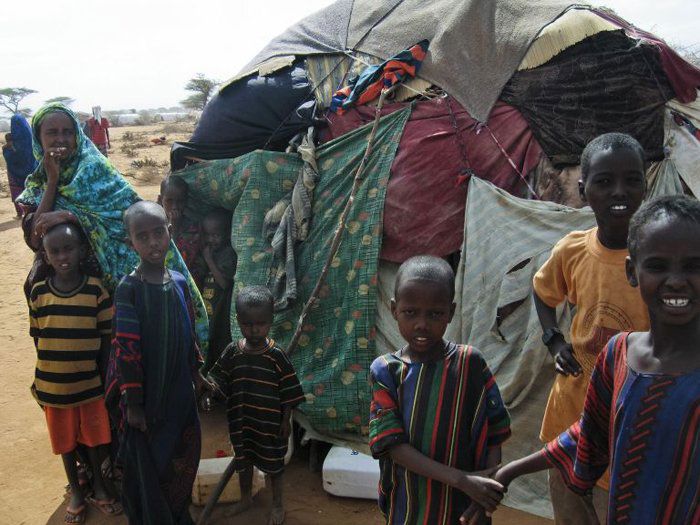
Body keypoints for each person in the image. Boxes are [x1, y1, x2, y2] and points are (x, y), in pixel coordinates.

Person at [492, 195, 700, 525]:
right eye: (658, 266)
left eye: (693, 266)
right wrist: (509, 471)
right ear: (632, 272)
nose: (676, 280)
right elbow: (588, 435)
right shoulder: (619, 354)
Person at [532, 133, 649, 524]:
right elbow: (543, 293)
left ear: (646, 183)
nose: (619, 191)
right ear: (583, 190)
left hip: (628, 425)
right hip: (570, 412)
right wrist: (553, 340)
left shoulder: (660, 259)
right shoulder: (572, 250)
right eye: (604, 181)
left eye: (632, 179)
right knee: (570, 511)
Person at [368, 255, 511, 525]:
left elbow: (494, 431)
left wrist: (485, 491)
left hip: (466, 508)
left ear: (451, 312)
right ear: (394, 309)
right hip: (410, 505)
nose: (422, 324)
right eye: (411, 312)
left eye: (435, 314)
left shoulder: (471, 363)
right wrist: (462, 480)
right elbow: (392, 445)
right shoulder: (386, 371)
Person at [105, 201, 212, 523]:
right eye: (142, 236)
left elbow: (187, 333)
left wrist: (198, 374)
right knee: (150, 465)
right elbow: (126, 351)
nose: (153, 243)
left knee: (182, 458)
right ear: (130, 243)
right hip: (147, 401)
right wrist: (134, 404)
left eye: (158, 233)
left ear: (170, 231)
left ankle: (177, 513)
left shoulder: (178, 281)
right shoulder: (129, 290)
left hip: (179, 394)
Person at [29, 222, 121, 523]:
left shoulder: (96, 290)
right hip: (53, 388)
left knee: (96, 440)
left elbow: (107, 339)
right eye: (54, 251)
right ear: (46, 255)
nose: (62, 256)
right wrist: (41, 381)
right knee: (65, 444)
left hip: (91, 386)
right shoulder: (39, 293)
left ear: (82, 250)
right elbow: (38, 337)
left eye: (68, 248)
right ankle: (78, 492)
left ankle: (100, 487)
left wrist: (107, 381)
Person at [209, 285, 304, 525]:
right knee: (244, 461)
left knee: (274, 465)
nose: (253, 330)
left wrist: (285, 420)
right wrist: (208, 390)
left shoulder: (276, 355)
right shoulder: (233, 351)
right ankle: (245, 498)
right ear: (238, 321)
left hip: (270, 423)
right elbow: (217, 377)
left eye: (260, 324)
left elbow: (290, 390)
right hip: (241, 420)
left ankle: (278, 504)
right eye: (247, 324)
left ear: (270, 321)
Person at [197, 208, 237, 372]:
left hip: (220, 313)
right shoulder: (211, 251)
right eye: (207, 235)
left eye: (216, 235)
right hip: (208, 310)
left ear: (227, 234)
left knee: (218, 347)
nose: (211, 239)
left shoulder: (227, 253)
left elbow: (224, 284)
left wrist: (209, 259)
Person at [158, 175, 202, 281]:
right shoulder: (154, 225)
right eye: (169, 201)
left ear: (186, 201)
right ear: (160, 200)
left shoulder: (194, 229)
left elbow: (180, 261)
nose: (175, 206)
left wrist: (175, 229)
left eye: (180, 201)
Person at [2, 114, 38, 218]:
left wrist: (5, 150)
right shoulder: (31, 137)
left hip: (14, 173)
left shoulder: (13, 141)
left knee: (16, 190)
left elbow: (11, 157)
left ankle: (19, 212)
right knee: (32, 188)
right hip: (32, 169)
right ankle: (34, 209)